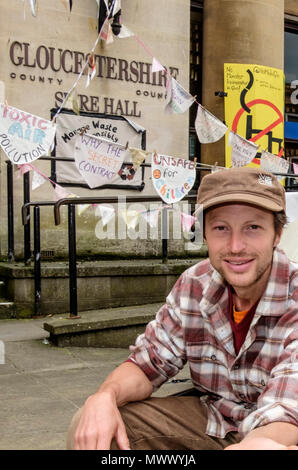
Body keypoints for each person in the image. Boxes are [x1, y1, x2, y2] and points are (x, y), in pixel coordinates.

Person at [67, 166, 298, 451]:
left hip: (280, 433)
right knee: (93, 425)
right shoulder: (194, 284)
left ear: (277, 235)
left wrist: (259, 443)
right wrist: (105, 395)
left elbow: (287, 408)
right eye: (221, 228)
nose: (236, 246)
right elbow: (148, 362)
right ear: (204, 235)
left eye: (253, 227)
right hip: (214, 420)